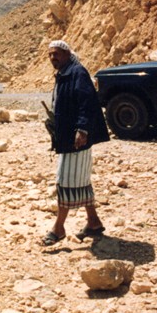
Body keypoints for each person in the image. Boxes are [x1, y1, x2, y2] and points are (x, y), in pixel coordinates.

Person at [42, 40, 110, 246]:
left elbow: (87, 103)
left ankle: (59, 228)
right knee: (80, 179)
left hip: (77, 138)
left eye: (57, 54)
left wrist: (82, 129)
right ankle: (94, 222)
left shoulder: (77, 72)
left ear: (66, 54)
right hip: (68, 137)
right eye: (50, 55)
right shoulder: (65, 73)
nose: (53, 58)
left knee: (65, 181)